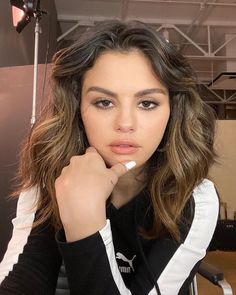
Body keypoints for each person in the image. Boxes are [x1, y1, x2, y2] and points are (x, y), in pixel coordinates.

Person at [0, 20, 219, 295]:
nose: (125, 123)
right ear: (78, 108)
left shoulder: (195, 198)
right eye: (104, 102)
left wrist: (86, 225)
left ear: (173, 111)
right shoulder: (50, 177)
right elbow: (21, 281)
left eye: (147, 103)